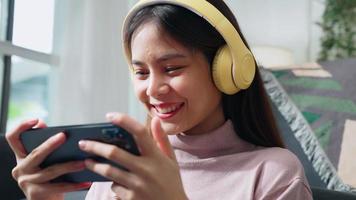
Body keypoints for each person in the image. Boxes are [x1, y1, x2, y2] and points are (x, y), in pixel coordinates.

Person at [6, 0, 313, 199]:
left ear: (227, 69)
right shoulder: (121, 164)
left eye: (172, 68)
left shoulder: (274, 173)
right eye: (141, 72)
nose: (153, 89)